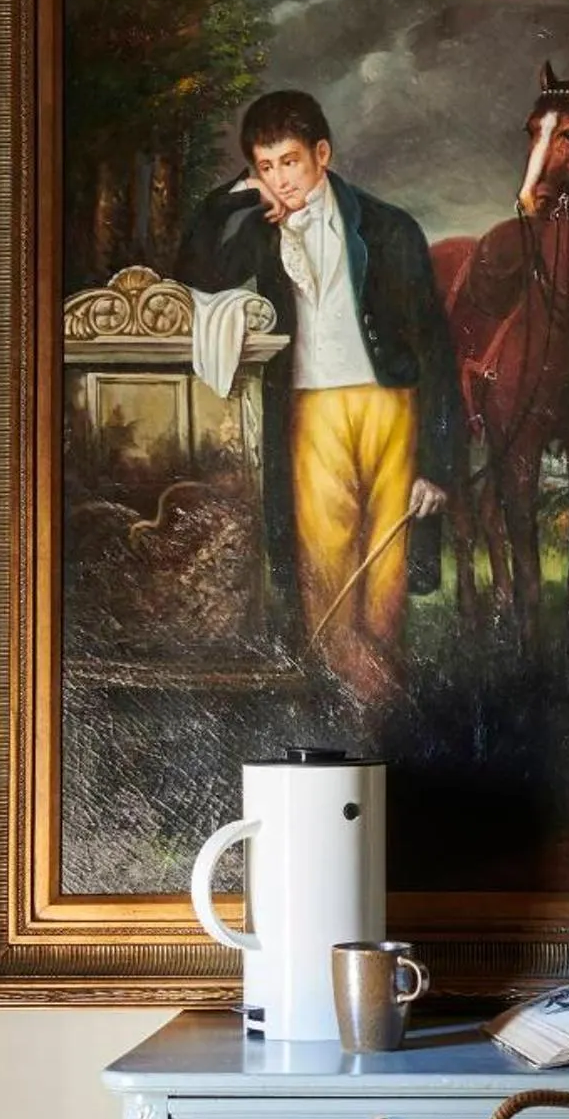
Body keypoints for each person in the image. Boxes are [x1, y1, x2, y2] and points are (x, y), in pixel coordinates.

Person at [178, 89, 457, 695]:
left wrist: (436, 463)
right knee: (322, 567)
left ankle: (376, 709)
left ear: (322, 154)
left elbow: (435, 350)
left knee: (387, 569)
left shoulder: (389, 229)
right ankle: (344, 699)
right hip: (310, 409)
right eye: (266, 167)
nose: (282, 180)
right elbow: (192, 274)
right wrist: (234, 198)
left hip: (393, 408)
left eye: (291, 162)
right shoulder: (260, 228)